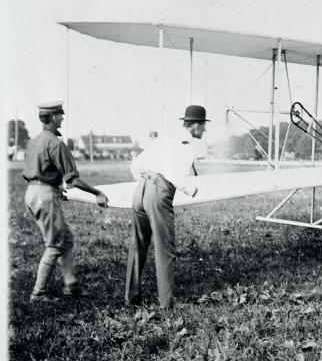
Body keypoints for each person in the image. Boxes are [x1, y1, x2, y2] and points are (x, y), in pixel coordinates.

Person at [22, 101, 109, 303]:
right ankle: (38, 294)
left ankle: (71, 285)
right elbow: (73, 179)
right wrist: (97, 192)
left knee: (65, 239)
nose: (62, 117)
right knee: (55, 245)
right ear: (52, 117)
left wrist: (54, 186)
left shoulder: (35, 141)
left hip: (33, 192)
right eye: (60, 115)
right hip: (44, 196)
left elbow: (39, 171)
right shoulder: (55, 143)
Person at [125, 105, 208, 309]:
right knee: (165, 248)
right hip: (159, 192)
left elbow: (136, 166)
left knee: (138, 245)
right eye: (203, 126)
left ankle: (131, 298)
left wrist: (148, 179)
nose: (204, 130)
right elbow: (173, 174)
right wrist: (189, 189)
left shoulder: (164, 138)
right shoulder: (187, 145)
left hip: (140, 191)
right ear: (196, 125)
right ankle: (167, 304)